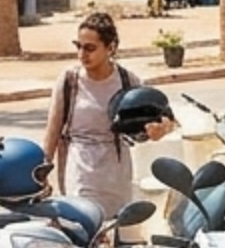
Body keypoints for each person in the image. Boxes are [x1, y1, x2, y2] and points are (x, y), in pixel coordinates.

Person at [39, 12, 173, 217]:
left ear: (110, 48)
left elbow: (166, 117)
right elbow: (53, 129)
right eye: (79, 46)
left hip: (115, 170)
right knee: (84, 222)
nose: (82, 54)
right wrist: (42, 171)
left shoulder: (128, 81)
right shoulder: (69, 81)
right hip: (80, 166)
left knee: (113, 228)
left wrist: (160, 129)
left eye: (90, 48)